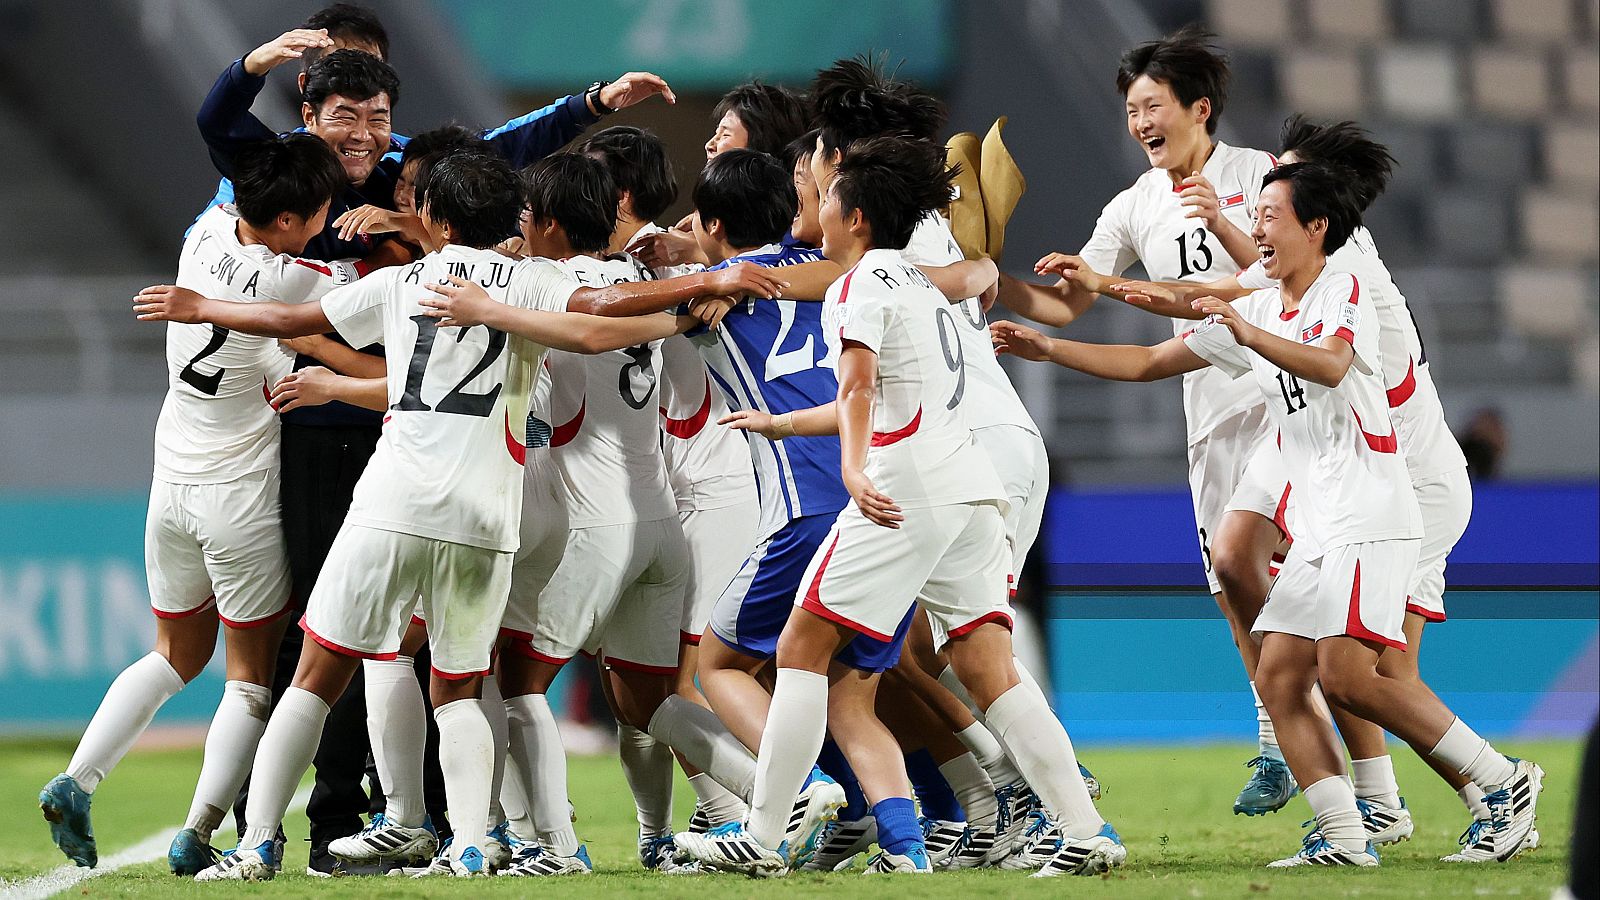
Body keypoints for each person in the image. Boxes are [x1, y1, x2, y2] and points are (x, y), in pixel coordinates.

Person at [127, 151, 773, 881]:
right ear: (510, 219)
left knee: (315, 673)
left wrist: (202, 306)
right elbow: (595, 320)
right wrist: (707, 283)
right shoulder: (540, 279)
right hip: (487, 518)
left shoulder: (406, 280)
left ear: (433, 217)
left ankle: (256, 846)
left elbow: (294, 315)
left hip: (393, 503)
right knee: (463, 685)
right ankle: (468, 841)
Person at [993, 160, 1543, 868]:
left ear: (1317, 228)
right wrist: (1052, 344)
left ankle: (1502, 781)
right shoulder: (1259, 302)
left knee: (1352, 678)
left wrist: (1245, 330)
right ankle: (1345, 835)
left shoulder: (1346, 284)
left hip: (1371, 510)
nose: (1253, 229)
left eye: (1268, 217)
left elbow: (1333, 364)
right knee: (1281, 678)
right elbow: (1156, 352)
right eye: (1252, 217)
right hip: (1319, 523)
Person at [679, 137, 1124, 878]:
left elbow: (858, 394)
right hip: (969, 488)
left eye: (822, 195)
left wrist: (854, 469)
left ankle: (761, 836)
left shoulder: (858, 286)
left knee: (798, 649)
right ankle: (1084, 830)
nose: (810, 205)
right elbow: (874, 393)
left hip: (904, 487)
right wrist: (781, 423)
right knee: (988, 666)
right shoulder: (920, 282)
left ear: (852, 217)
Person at [1109, 116, 1516, 859]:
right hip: (1329, 461)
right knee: (1290, 640)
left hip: (1400, 477)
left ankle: (1486, 788)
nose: (1264, 198)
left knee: (1369, 673)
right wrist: (1116, 286)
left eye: (1282, 185)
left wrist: (1216, 285)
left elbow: (1272, 307)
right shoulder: (1296, 281)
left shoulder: (1345, 270)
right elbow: (1249, 285)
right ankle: (1367, 811)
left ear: (1323, 211)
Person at [38, 134, 351, 872]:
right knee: (249, 676)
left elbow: (225, 151)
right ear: (285, 223)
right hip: (238, 496)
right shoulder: (297, 283)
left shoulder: (204, 233)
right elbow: (370, 305)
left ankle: (77, 780)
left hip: (171, 479)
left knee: (174, 651)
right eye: (321, 209)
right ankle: (198, 833)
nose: (330, 216)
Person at [1009, 26, 1291, 815]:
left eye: (1153, 105)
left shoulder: (1261, 177)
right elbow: (1073, 298)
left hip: (1287, 403)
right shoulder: (1134, 206)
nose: (1139, 122)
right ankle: (1280, 744)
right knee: (1237, 586)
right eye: (1131, 108)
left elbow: (1281, 278)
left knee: (1304, 580)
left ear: (1200, 109)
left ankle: (1358, 773)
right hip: (1212, 418)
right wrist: (991, 278)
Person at [581, 125, 763, 849]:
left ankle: (757, 812)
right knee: (631, 691)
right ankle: (661, 835)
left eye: (592, 180)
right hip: (657, 494)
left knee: (687, 680)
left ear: (619, 193)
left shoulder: (694, 261)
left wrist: (707, 279)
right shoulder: (646, 264)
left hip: (718, 487)